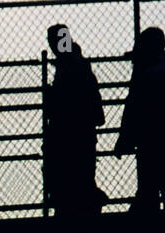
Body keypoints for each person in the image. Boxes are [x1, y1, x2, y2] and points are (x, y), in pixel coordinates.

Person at [116, 28, 165, 213]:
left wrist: (125, 137)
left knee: (148, 189)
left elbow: (133, 105)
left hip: (149, 138)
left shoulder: (144, 71)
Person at [43, 25, 105, 216]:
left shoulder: (69, 65)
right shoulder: (75, 63)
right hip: (81, 130)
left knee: (70, 180)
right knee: (81, 177)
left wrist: (52, 97)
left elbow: (66, 101)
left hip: (69, 132)